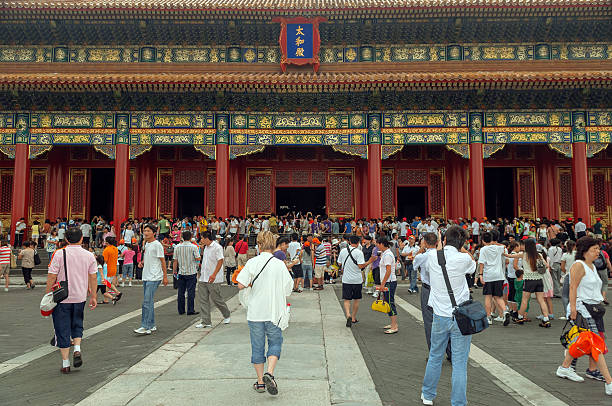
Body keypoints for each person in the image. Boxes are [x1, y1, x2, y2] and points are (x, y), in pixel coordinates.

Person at [421, 225, 476, 406]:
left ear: (444, 240)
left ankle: (428, 395)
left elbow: (436, 253)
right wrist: (461, 247)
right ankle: (458, 402)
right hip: (460, 316)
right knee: (460, 364)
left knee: (435, 356)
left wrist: (441, 243)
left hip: (439, 316)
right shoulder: (463, 259)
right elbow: (472, 265)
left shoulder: (431, 256)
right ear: (462, 243)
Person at [236, 231, 293, 395]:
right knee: (275, 342)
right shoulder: (279, 264)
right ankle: (270, 372)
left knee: (257, 346)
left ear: (259, 245)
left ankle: (260, 382)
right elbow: (288, 288)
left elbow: (240, 284)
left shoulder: (252, 262)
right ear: (274, 246)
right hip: (274, 312)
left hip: (255, 312)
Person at [555, 236, 612, 396]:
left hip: (594, 308)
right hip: (583, 308)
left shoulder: (592, 266)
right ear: (584, 251)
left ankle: (565, 367)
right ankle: (609, 382)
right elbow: (573, 288)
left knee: (585, 340)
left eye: (598, 249)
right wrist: (573, 309)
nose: (598, 252)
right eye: (594, 249)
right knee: (595, 343)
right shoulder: (578, 265)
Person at [46, 227, 98, 373]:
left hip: (62, 297)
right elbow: (93, 277)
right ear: (82, 238)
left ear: (66, 239)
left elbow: (51, 275)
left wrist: (47, 293)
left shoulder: (58, 254)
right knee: (77, 323)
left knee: (62, 328)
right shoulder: (89, 255)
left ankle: (65, 363)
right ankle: (77, 348)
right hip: (80, 295)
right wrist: (93, 295)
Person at [413, 232, 452, 360]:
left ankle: (434, 353)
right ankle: (451, 352)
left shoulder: (422, 257)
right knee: (446, 319)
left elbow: (414, 265)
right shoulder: (444, 254)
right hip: (443, 290)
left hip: (428, 289)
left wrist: (421, 248)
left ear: (424, 242)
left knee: (429, 322)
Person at [509, 238, 551, 327]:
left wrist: (503, 252)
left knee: (525, 300)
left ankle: (520, 317)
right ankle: (546, 319)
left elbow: (510, 256)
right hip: (539, 280)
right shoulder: (539, 255)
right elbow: (546, 265)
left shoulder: (524, 255)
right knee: (541, 300)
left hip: (529, 280)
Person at [135, 223, 168, 335]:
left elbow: (162, 260)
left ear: (154, 233)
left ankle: (145, 326)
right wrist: (142, 262)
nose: (146, 233)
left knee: (146, 302)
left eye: (148, 231)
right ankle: (152, 324)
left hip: (154, 276)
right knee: (149, 301)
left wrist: (165, 276)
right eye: (145, 231)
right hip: (146, 275)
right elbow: (149, 257)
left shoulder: (157, 244)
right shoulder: (147, 244)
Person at [196, 231, 231, 328]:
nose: (201, 240)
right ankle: (206, 321)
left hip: (213, 278)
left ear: (207, 238)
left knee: (216, 299)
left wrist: (214, 274)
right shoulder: (206, 247)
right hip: (203, 277)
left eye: (202, 238)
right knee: (203, 300)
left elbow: (220, 261)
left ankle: (226, 314)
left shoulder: (217, 247)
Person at [338, 235, 375, 327]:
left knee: (346, 299)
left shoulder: (343, 251)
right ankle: (353, 317)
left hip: (346, 279)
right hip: (357, 280)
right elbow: (361, 266)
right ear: (358, 243)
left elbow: (339, 263)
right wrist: (369, 261)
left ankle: (348, 315)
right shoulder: (359, 252)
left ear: (349, 242)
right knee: (356, 300)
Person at [478, 231, 510, 326]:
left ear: (483, 240)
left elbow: (481, 263)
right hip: (499, 275)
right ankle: (505, 311)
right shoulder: (498, 248)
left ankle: (488, 317)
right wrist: (494, 243)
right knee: (498, 296)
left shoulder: (483, 249)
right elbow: (504, 247)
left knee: (488, 296)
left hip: (489, 275)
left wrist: (480, 275)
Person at [172, 230, 201, 315]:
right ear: (190, 237)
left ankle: (181, 310)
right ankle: (190, 310)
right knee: (191, 292)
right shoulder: (193, 247)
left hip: (181, 271)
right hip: (191, 271)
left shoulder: (177, 247)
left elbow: (175, 260)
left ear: (182, 237)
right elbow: (198, 258)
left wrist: (174, 271)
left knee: (181, 292)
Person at [376, 236, 398, 334]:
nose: (377, 246)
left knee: (390, 302)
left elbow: (388, 270)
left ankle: (394, 325)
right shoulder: (385, 253)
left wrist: (383, 284)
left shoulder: (388, 255)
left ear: (381, 244)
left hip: (389, 282)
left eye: (378, 244)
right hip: (388, 281)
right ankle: (392, 323)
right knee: (388, 301)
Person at [102, 237, 122, 304]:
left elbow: (104, 260)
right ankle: (117, 292)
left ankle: (107, 299)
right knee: (108, 283)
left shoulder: (106, 250)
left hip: (107, 269)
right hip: (114, 268)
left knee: (106, 284)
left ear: (107, 242)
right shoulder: (115, 249)